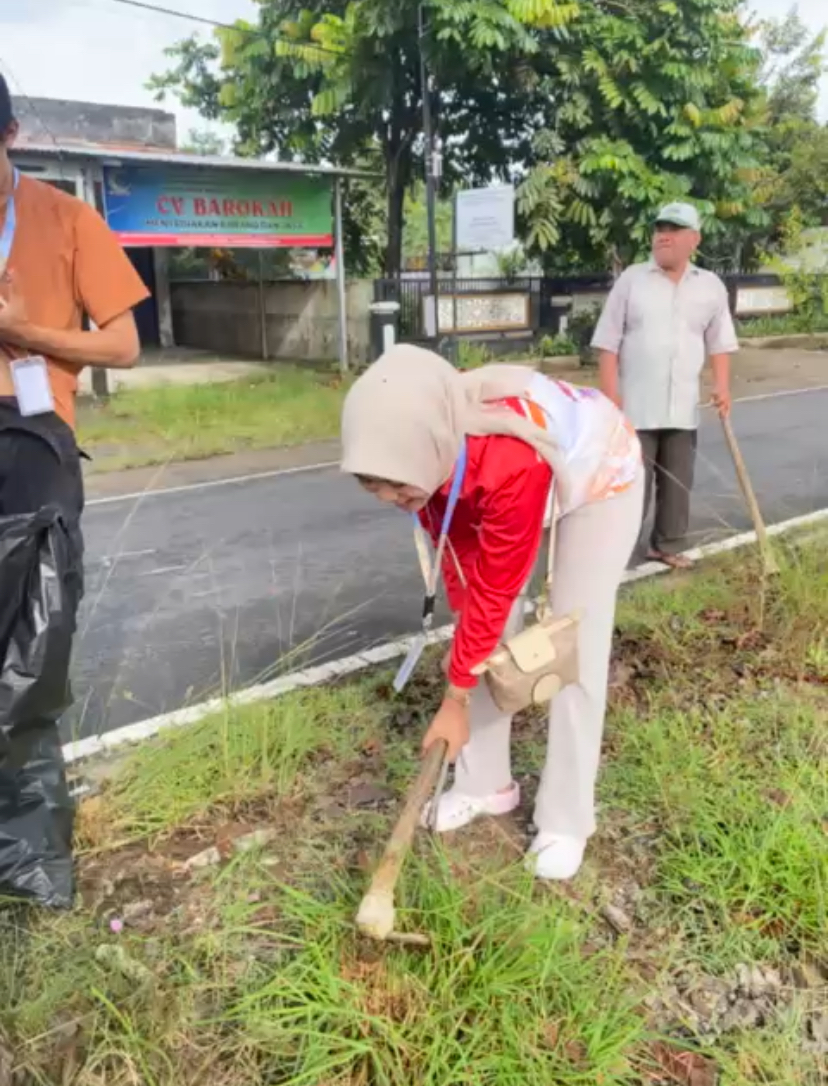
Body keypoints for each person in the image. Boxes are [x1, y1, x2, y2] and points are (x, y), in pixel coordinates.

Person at [341, 345, 644, 880]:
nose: (389, 497)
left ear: (429, 451)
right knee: (481, 639)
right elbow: (461, 565)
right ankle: (485, 785)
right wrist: (465, 660)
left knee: (576, 640)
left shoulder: (508, 458)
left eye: (395, 484)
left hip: (600, 475)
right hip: (498, 476)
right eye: (374, 487)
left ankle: (567, 818)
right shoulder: (424, 453)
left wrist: (455, 695)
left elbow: (498, 583)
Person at [0, 72, 148, 575]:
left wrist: (26, 335)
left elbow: (124, 347)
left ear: (11, 133)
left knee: (38, 618)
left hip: (34, 433)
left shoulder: (71, 219)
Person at [591, 202, 739, 569]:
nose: (663, 236)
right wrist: (611, 398)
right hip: (634, 408)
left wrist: (722, 386)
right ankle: (615, 551)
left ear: (694, 239)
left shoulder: (710, 287)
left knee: (677, 484)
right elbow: (607, 342)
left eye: (673, 229)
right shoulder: (632, 281)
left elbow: (720, 342)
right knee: (628, 485)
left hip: (683, 405)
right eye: (659, 229)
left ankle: (666, 544)